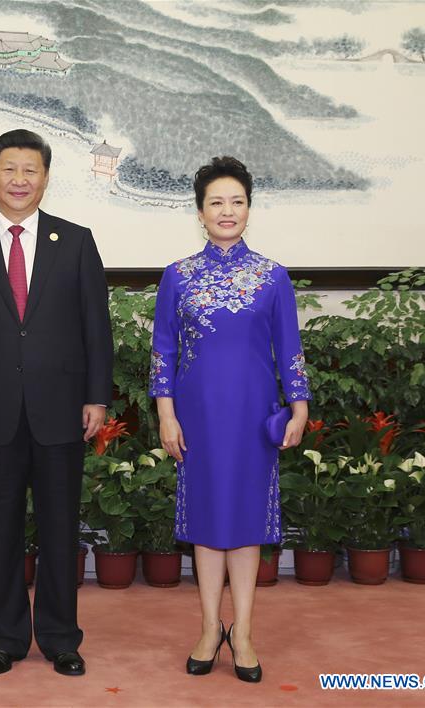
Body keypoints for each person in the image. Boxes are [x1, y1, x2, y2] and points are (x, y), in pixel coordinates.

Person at [0, 129, 113, 677]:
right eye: (9, 169)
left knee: (61, 529)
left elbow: (96, 329)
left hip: (62, 407)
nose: (19, 180)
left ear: (45, 177)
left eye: (30, 170)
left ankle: (61, 637)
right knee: (0, 529)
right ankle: (6, 638)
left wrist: (97, 397)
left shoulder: (77, 240)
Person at [148, 156, 310, 683]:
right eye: (216, 202)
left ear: (249, 209)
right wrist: (165, 415)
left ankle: (242, 632)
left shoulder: (272, 276)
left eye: (236, 201)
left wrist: (300, 405)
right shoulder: (178, 276)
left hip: (253, 416)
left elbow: (290, 348)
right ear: (200, 211)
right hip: (196, 418)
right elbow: (163, 353)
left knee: (246, 525)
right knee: (204, 522)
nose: (226, 211)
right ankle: (206, 627)